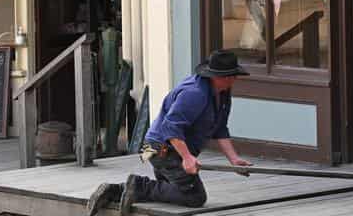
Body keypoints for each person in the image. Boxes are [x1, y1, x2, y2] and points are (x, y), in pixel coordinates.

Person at [86, 50, 251, 215]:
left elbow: (220, 127)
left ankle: (114, 191)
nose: (234, 80)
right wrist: (187, 158)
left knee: (173, 190)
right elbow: (171, 128)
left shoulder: (222, 93)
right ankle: (137, 185)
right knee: (194, 196)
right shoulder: (194, 94)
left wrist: (234, 159)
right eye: (231, 76)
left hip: (168, 150)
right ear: (219, 76)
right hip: (157, 149)